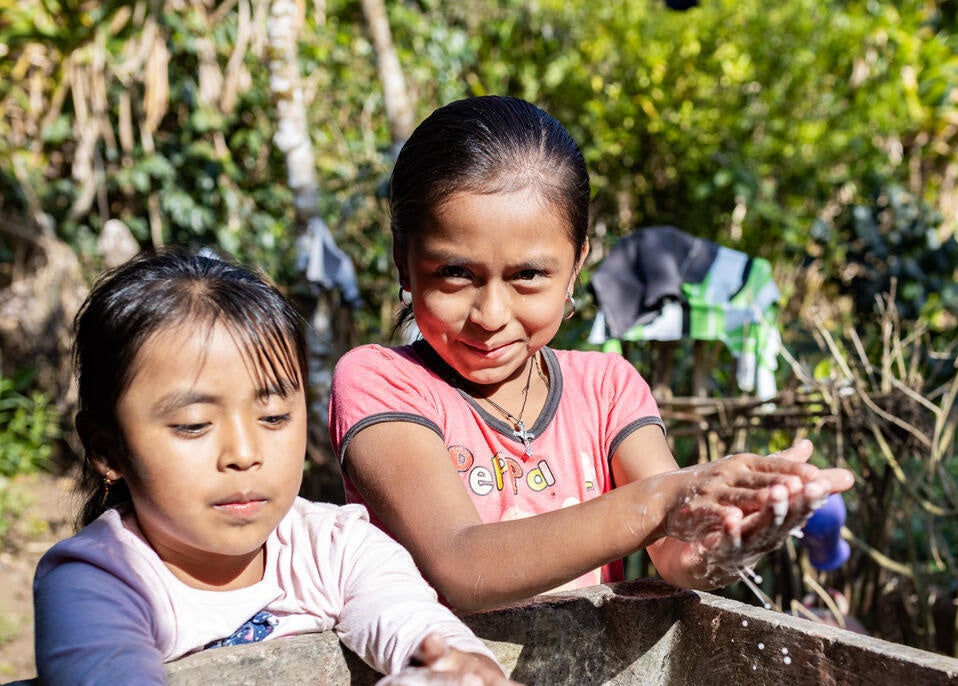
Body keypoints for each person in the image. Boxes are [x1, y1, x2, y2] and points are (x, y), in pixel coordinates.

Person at [34, 248, 551, 686]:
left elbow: (421, 629)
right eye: (195, 426)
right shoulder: (99, 583)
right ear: (107, 449)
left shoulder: (333, 544)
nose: (245, 452)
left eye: (275, 415)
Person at [329, 96, 855, 613]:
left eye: (528, 276)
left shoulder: (607, 389)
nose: (490, 314)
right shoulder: (381, 382)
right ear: (404, 260)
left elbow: (677, 555)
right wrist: (664, 500)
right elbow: (463, 565)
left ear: (576, 265)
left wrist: (733, 532)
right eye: (455, 273)